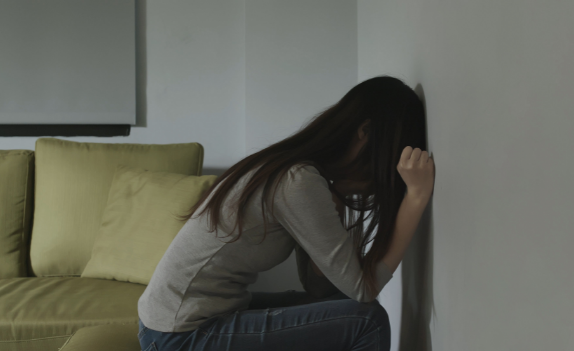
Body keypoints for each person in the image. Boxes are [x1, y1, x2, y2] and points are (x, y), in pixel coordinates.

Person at [137, 75, 435, 351]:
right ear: (365, 133)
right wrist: (416, 197)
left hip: (179, 322)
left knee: (341, 303)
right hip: (179, 334)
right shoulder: (298, 181)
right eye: (385, 162)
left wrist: (335, 219)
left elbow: (318, 287)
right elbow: (363, 289)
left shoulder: (297, 171)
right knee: (367, 320)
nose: (377, 181)